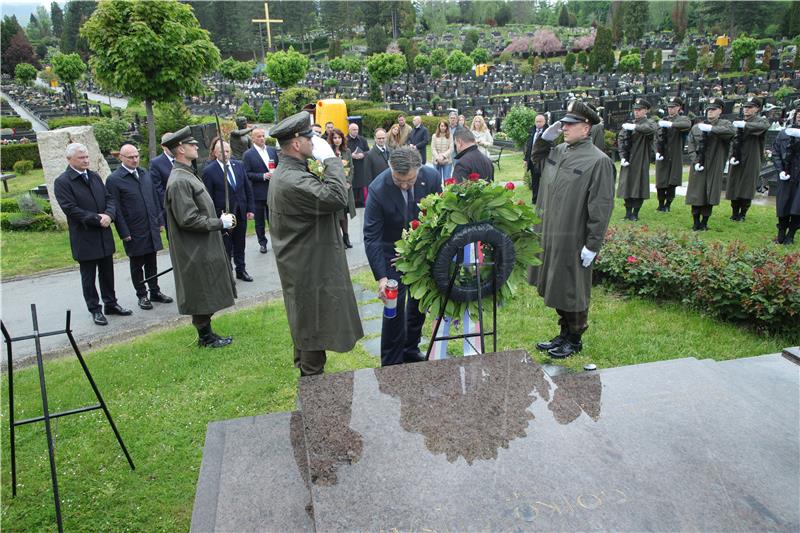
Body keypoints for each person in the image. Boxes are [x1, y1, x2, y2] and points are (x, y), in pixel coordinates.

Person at [268, 111, 364, 376]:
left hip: (305, 263)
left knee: (308, 325)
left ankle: (309, 381)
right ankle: (313, 396)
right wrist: (331, 159)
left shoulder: (291, 172)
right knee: (312, 329)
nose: (315, 141)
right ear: (297, 144)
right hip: (308, 267)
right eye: (310, 137)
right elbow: (336, 197)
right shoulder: (292, 179)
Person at [532, 100, 615, 359]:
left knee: (572, 288)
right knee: (557, 285)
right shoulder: (559, 151)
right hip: (552, 232)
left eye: (570, 124)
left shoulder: (598, 161)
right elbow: (537, 158)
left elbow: (601, 207)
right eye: (563, 124)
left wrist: (592, 245)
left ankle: (575, 337)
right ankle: (564, 333)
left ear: (586, 127)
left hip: (573, 235)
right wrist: (545, 139)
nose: (564, 128)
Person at [363, 146, 442, 366]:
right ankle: (391, 361)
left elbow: (439, 215)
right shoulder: (378, 189)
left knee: (418, 304)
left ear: (418, 170)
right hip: (392, 254)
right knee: (393, 309)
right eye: (400, 181)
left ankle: (410, 348)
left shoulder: (432, 177)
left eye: (410, 180)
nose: (406, 185)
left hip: (421, 252)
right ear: (391, 171)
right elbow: (372, 237)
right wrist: (381, 278)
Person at [162, 127, 236, 348]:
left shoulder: (186, 174)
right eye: (192, 144)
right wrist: (218, 223)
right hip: (194, 248)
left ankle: (207, 334)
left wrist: (216, 217)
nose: (196, 147)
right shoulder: (179, 180)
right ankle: (205, 337)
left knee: (206, 289)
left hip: (202, 244)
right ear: (181, 149)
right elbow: (188, 219)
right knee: (201, 290)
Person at [54, 143, 132, 326]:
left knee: (107, 272)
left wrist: (109, 215)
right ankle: (95, 309)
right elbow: (71, 209)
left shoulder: (94, 176)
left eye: (87, 157)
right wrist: (97, 218)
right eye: (81, 158)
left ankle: (111, 303)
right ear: (69, 159)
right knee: (88, 276)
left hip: (103, 234)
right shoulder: (63, 182)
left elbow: (109, 199)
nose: (86, 160)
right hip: (85, 236)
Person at [106, 143, 173, 310]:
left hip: (151, 225)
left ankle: (154, 291)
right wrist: (124, 232)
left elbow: (154, 199)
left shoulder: (144, 173)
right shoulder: (115, 179)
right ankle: (141, 294)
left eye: (136, 156)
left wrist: (159, 222)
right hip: (133, 229)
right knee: (137, 264)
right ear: (121, 157)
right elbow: (116, 208)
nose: (135, 160)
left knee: (152, 261)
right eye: (130, 157)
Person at [202, 139, 256, 281]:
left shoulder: (238, 165)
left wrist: (250, 208)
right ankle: (228, 273)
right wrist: (215, 217)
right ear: (215, 152)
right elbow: (209, 197)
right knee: (226, 245)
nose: (225, 154)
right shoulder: (209, 171)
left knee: (240, 243)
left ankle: (241, 270)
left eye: (227, 151)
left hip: (241, 211)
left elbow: (247, 188)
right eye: (221, 151)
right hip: (224, 215)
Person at [685, 98, 735, 231]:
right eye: (709, 109)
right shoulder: (697, 127)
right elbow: (690, 145)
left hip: (715, 164)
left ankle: (705, 222)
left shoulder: (725, 124)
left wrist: (712, 129)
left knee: (709, 193)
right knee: (696, 192)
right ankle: (696, 221)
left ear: (720, 111)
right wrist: (695, 160)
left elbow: (731, 133)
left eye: (713, 109)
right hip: (698, 164)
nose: (710, 112)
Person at [726, 96, 769, 221]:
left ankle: (743, 213)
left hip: (752, 157)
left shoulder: (760, 121)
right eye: (745, 107)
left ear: (757, 109)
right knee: (734, 183)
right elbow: (731, 141)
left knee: (747, 184)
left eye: (750, 107)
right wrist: (731, 156)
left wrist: (745, 125)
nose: (746, 109)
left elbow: (763, 127)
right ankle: (734, 212)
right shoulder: (738, 122)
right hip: (737, 155)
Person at [617, 98, 657, 221]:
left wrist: (635, 127)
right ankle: (628, 212)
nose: (636, 112)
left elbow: (650, 130)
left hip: (640, 159)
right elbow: (621, 140)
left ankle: (635, 212)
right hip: (628, 159)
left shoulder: (649, 123)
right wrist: (622, 156)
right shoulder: (629, 124)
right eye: (635, 109)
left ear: (646, 110)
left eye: (639, 110)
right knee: (626, 185)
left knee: (638, 185)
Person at [243, 128, 279, 254]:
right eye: (258, 136)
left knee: (274, 219)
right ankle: (262, 243)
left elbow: (278, 166)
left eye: (263, 136)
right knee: (259, 221)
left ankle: (276, 242)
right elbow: (247, 174)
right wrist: (263, 176)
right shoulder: (248, 154)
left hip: (272, 190)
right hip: (258, 193)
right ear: (252, 138)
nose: (262, 138)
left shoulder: (272, 151)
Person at [654, 97, 692, 212]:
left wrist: (671, 124)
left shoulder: (682, 119)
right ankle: (660, 203)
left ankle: (668, 204)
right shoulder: (662, 120)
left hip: (675, 154)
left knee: (672, 180)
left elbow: (686, 124)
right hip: (662, 153)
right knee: (660, 180)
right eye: (669, 107)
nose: (670, 109)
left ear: (679, 108)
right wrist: (656, 151)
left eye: (673, 107)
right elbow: (656, 137)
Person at [770, 104, 800, 245]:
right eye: (798, 113)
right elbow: (775, 152)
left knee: (797, 207)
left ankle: (791, 235)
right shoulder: (784, 133)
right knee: (783, 205)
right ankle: (781, 233)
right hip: (785, 176)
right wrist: (780, 170)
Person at [328, 127, 356, 248]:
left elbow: (351, 168)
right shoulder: (328, 152)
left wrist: (349, 182)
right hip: (334, 187)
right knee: (337, 213)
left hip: (346, 187)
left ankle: (346, 236)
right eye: (335, 138)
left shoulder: (347, 151)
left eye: (339, 137)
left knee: (344, 213)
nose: (337, 140)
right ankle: (339, 239)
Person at [524, 113, 547, 204]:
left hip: (543, 161)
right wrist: (526, 159)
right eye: (536, 121)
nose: (538, 123)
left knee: (544, 181)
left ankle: (544, 200)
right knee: (534, 181)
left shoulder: (548, 131)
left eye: (540, 121)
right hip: (532, 161)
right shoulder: (532, 131)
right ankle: (535, 199)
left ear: (544, 122)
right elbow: (529, 146)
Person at [347, 122, 370, 206]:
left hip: (361, 167)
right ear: (349, 130)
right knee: (352, 187)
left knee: (361, 188)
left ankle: (361, 203)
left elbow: (368, 151)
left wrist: (363, 154)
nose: (356, 131)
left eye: (357, 129)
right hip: (349, 168)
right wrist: (350, 155)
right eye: (354, 129)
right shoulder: (345, 140)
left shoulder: (362, 139)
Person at [149, 132, 174, 209]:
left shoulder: (183, 158)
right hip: (170, 206)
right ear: (163, 146)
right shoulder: (156, 163)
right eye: (169, 145)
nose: (172, 147)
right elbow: (158, 189)